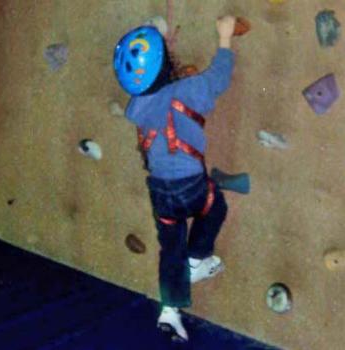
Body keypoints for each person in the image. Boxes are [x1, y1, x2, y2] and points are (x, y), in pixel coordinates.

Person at [113, 15, 237, 342]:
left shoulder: (137, 106)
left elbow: (157, 89)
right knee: (215, 205)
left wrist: (164, 47)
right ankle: (197, 259)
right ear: (166, 65)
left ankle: (170, 311)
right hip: (192, 187)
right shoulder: (190, 89)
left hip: (161, 194)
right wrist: (225, 37)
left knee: (171, 247)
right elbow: (219, 77)